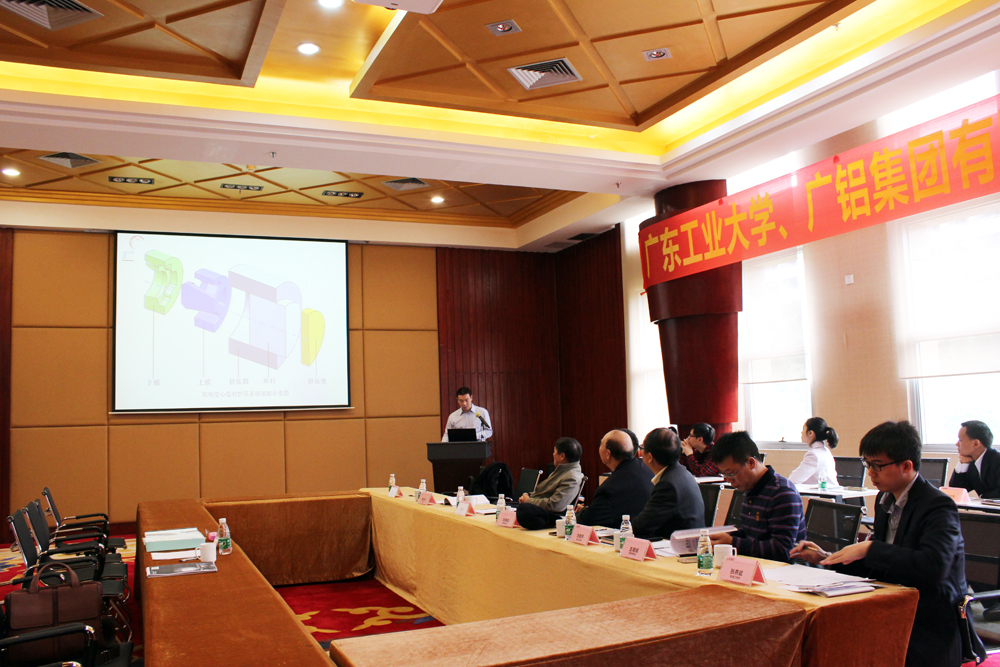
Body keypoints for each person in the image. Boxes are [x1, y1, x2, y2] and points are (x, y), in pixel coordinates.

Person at [791, 421, 966, 667]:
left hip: (928, 618)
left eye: (877, 466)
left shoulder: (937, 505)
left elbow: (934, 567)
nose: (871, 473)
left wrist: (870, 548)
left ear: (906, 466)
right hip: (891, 606)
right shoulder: (885, 500)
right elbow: (879, 565)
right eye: (867, 464)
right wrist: (827, 559)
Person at [708, 431, 805, 562]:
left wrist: (733, 542)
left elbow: (783, 551)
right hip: (757, 564)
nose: (729, 480)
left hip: (784, 570)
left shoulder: (783, 493)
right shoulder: (752, 488)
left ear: (751, 463)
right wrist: (725, 537)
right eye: (724, 475)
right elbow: (752, 535)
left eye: (731, 473)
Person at [632, 427, 705, 540]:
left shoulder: (668, 485)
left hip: (679, 546)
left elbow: (642, 525)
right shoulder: (682, 472)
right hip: (689, 542)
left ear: (650, 457)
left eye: (642, 448)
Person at [574, 429, 654, 528]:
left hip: (628, 534)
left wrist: (576, 515)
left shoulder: (610, 487)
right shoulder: (647, 468)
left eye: (601, 444)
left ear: (608, 454)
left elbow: (590, 518)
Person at [515, 437, 584, 530]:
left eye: (554, 451)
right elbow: (544, 492)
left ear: (562, 456)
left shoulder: (572, 477)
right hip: (538, 509)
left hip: (551, 517)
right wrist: (528, 496)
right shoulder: (562, 470)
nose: (553, 454)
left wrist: (528, 501)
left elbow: (555, 505)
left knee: (525, 510)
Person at [948, 420, 999, 498]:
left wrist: (982, 497)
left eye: (961, 440)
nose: (957, 444)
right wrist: (963, 464)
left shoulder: (997, 460)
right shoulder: (972, 462)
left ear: (976, 443)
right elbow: (956, 491)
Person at [788, 417, 839, 486]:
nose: (801, 432)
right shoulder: (825, 451)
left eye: (803, 429)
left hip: (823, 492)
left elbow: (794, 479)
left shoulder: (814, 454)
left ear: (810, 433)